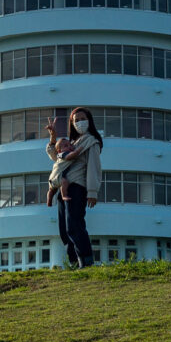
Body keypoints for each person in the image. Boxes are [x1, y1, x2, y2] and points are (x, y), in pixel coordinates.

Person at [45, 107, 103, 268]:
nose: (79, 122)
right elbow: (56, 157)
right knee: (64, 230)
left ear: (89, 120)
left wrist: (92, 191)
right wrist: (53, 137)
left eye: (82, 119)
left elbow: (94, 167)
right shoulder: (73, 143)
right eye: (76, 120)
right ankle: (74, 262)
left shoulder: (91, 141)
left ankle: (86, 261)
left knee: (75, 225)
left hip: (77, 188)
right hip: (63, 190)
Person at [45, 137, 79, 206]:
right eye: (66, 146)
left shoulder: (58, 156)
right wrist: (77, 151)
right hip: (58, 177)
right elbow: (69, 157)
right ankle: (64, 195)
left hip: (52, 178)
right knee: (65, 182)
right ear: (60, 151)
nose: (69, 147)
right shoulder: (63, 154)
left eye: (70, 145)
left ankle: (49, 200)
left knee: (52, 190)